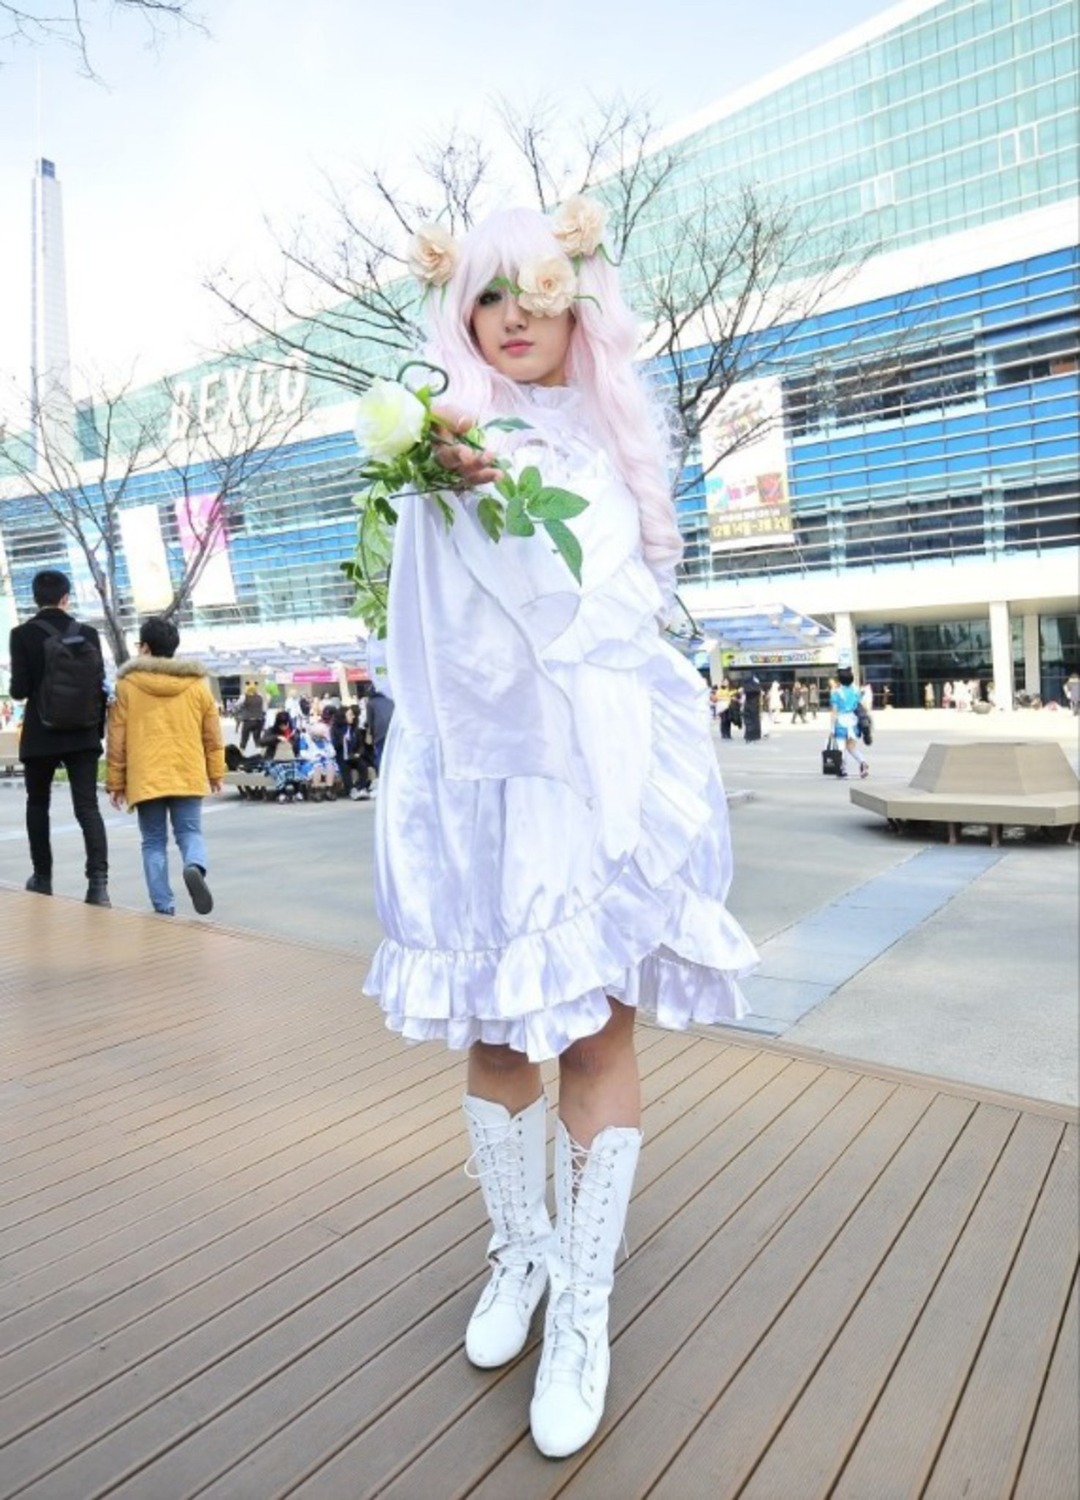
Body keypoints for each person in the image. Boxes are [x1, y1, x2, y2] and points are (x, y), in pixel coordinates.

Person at [362, 204, 756, 1459]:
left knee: (591, 1035)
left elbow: (614, 624)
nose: (515, 315)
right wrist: (447, 465)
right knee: (491, 1035)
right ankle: (522, 1258)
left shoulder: (611, 442)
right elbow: (422, 647)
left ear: (580, 303)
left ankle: (583, 1306)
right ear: (461, 315)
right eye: (490, 297)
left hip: (592, 783)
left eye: (538, 290)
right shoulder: (432, 437)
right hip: (480, 787)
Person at [105, 616, 224, 916]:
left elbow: (116, 737)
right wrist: (216, 772)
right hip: (187, 770)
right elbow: (213, 734)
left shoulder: (127, 685)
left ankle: (163, 906)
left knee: (153, 842)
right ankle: (194, 866)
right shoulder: (197, 684)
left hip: (147, 776)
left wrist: (116, 781)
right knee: (190, 833)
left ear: (144, 648)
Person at [8, 568, 110, 904]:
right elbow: (98, 686)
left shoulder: (21, 634)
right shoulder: (89, 634)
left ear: (35, 599)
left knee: (38, 804)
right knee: (87, 807)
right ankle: (98, 885)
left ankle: (43, 878)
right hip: (82, 735)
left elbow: (20, 691)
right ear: (66, 598)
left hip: (41, 735)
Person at [830, 666, 869, 779]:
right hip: (853, 721)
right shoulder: (856, 691)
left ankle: (843, 770)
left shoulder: (836, 693)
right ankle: (862, 762)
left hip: (841, 722)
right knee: (851, 747)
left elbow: (834, 712)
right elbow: (860, 704)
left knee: (841, 747)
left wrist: (832, 728)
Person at [236, 680, 266, 752]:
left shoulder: (244, 696)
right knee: (257, 739)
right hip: (258, 720)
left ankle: (241, 754)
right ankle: (260, 755)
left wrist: (242, 708)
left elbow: (237, 705)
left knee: (244, 739)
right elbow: (264, 709)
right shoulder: (260, 696)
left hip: (248, 720)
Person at [742, 675, 763, 742]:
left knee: (749, 723)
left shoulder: (746, 687)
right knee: (754, 722)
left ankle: (749, 736)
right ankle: (754, 736)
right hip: (754, 706)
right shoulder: (756, 687)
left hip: (749, 706)